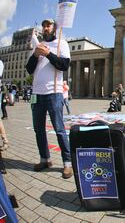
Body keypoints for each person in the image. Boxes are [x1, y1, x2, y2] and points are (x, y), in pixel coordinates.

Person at [25, 19, 73, 179]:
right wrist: (36, 55)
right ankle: (45, 159)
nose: (45, 28)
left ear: (54, 28)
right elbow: (29, 70)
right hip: (36, 94)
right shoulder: (37, 44)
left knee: (59, 128)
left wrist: (48, 54)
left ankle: (67, 163)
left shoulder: (62, 43)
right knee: (38, 129)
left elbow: (64, 65)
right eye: (44, 26)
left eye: (48, 25)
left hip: (54, 93)